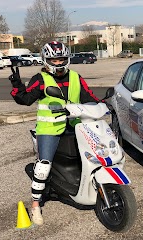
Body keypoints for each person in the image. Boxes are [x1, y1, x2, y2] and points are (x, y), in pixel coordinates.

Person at [8, 41, 100, 225]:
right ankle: (35, 205)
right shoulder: (41, 79)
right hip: (49, 129)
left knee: (93, 157)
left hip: (75, 126)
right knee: (43, 166)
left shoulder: (76, 77)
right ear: (46, 60)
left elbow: (90, 97)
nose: (58, 63)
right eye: (54, 59)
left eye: (61, 59)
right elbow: (26, 99)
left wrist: (104, 104)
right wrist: (17, 85)